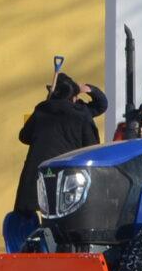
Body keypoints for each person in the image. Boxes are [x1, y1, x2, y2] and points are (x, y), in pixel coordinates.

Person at [14, 73, 107, 216]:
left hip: (38, 172)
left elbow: (24, 136)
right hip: (68, 173)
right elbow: (91, 145)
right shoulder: (81, 113)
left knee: (31, 214)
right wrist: (90, 89)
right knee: (66, 213)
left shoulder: (42, 111)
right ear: (73, 96)